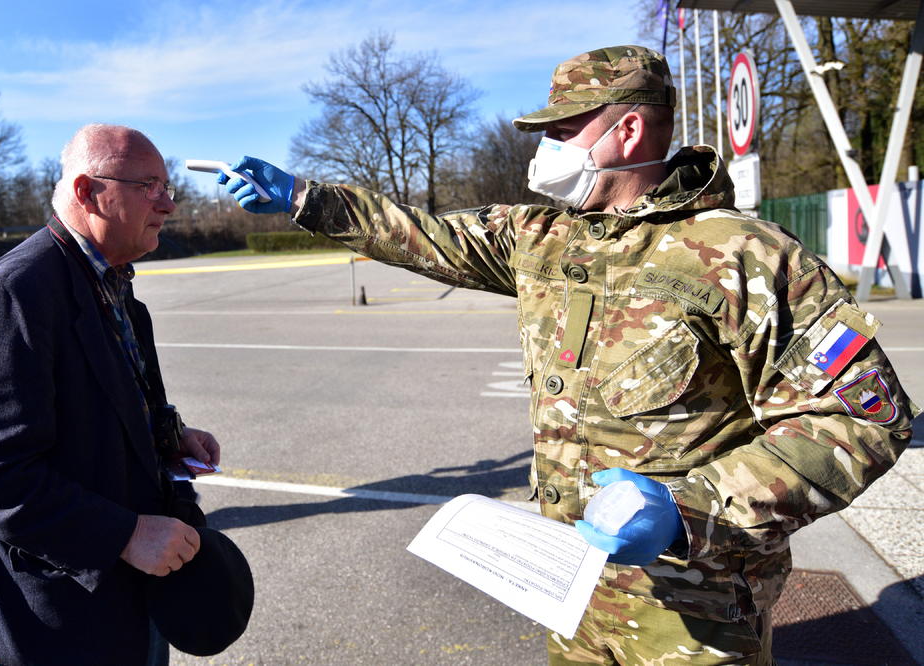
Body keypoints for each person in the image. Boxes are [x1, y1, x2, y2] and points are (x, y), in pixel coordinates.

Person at [217, 45, 918, 664]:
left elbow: (860, 418)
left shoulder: (745, 255)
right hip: (570, 589)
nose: (544, 144)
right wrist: (309, 199)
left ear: (629, 129)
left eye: (561, 128)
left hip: (699, 613)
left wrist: (686, 505)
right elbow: (425, 235)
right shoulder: (545, 237)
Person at [0, 124, 221, 665]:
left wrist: (168, 435)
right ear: (86, 191)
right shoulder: (19, 292)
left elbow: (110, 403)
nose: (169, 204)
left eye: (169, 187)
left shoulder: (116, 285)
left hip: (129, 599)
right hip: (56, 621)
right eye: (150, 186)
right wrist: (124, 534)